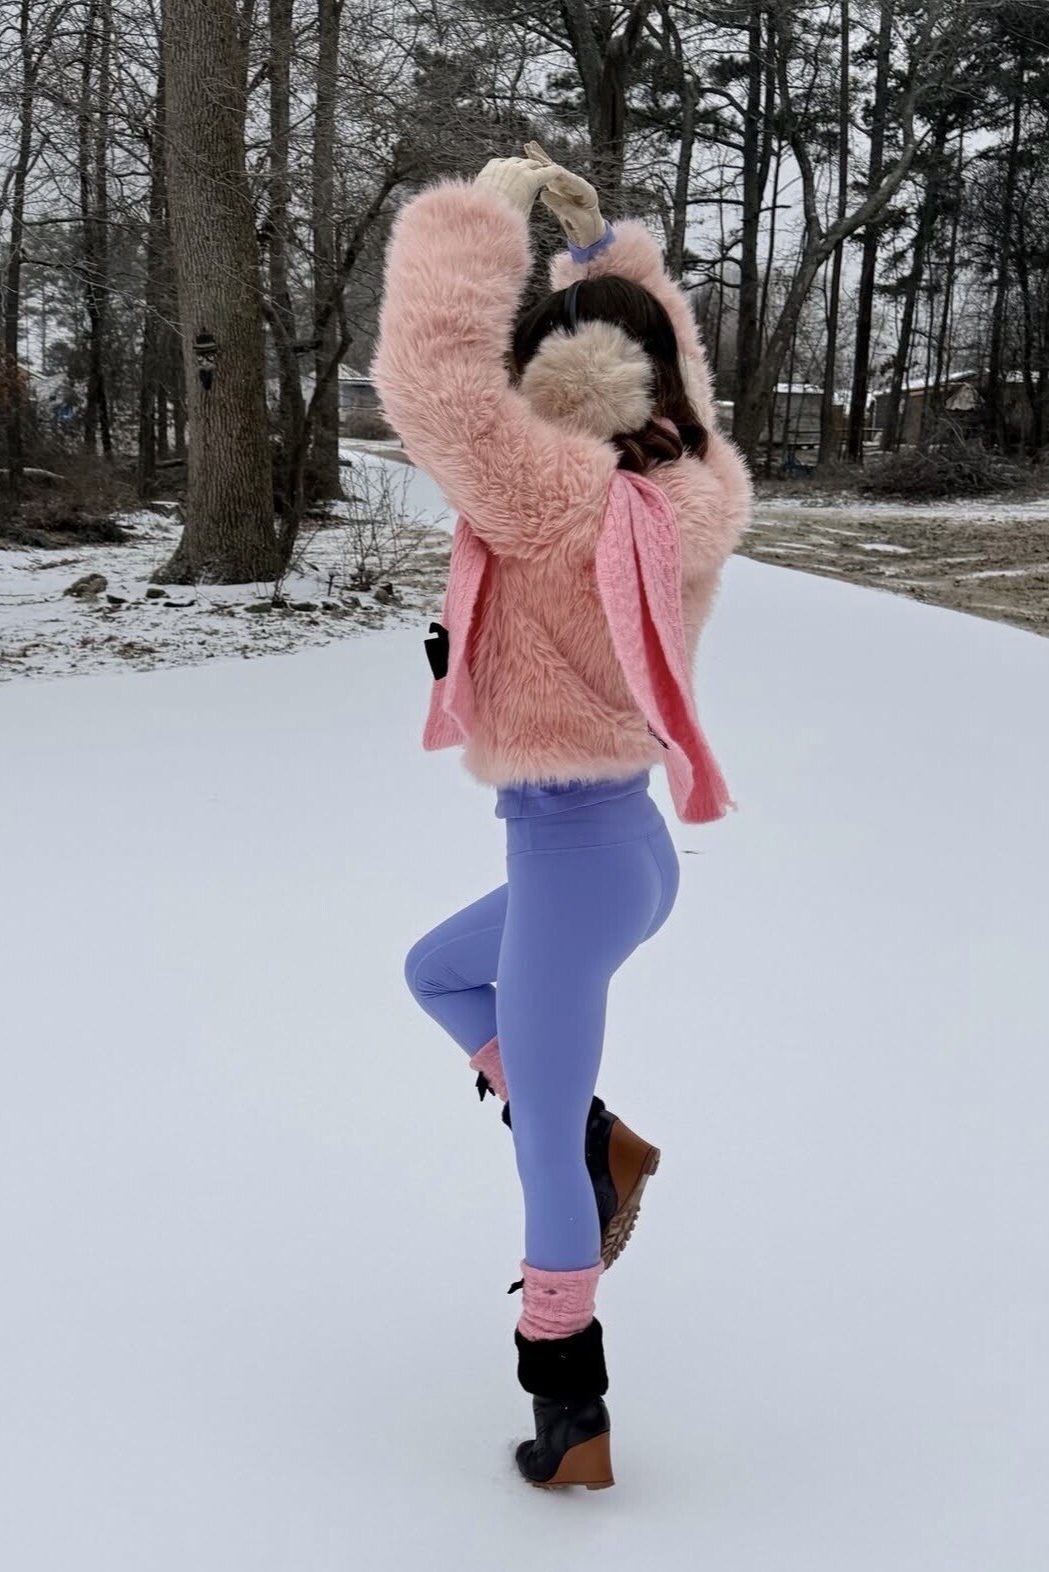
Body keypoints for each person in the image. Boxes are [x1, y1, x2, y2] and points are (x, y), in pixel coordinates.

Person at [372, 145, 751, 1491]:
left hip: (573, 856)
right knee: (435, 970)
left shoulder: (546, 499)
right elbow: (675, 370)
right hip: (629, 857)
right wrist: (605, 260)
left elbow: (428, 378)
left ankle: (571, 1416)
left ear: (545, 382)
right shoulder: (691, 487)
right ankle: (601, 1137)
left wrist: (484, 219)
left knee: (537, 1163)